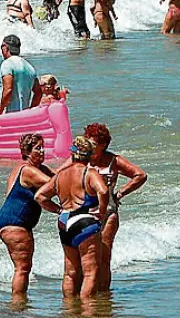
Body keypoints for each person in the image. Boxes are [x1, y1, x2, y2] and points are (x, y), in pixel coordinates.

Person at [35, 136, 110, 299]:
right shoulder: (89, 173)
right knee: (90, 272)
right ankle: (87, 308)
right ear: (89, 155)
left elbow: (40, 196)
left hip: (64, 220)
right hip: (85, 220)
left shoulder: (60, 176)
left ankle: (69, 307)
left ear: (72, 154)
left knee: (70, 272)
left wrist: (58, 210)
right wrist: (101, 212)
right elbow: (103, 191)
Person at [85, 123, 148, 292]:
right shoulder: (82, 158)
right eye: (88, 141)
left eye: (93, 143)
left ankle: (104, 295)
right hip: (85, 213)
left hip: (108, 212)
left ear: (103, 144)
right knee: (88, 257)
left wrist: (119, 193)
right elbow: (60, 175)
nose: (90, 146)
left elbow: (140, 175)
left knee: (104, 256)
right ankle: (88, 291)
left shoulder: (114, 160)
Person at [0, 133, 54, 303]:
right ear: (27, 152)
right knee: (22, 268)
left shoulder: (36, 168)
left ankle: (19, 304)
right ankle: (17, 305)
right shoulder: (28, 170)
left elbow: (61, 175)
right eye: (38, 148)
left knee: (23, 267)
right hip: (14, 222)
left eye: (43, 147)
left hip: (12, 221)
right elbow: (56, 184)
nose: (42, 151)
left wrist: (74, 162)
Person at [0, 35, 40, 118]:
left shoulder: (7, 64)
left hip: (10, 116)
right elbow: (38, 92)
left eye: (2, 47)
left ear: (6, 48)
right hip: (24, 117)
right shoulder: (29, 67)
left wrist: (0, 110)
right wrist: (30, 111)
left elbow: (8, 90)